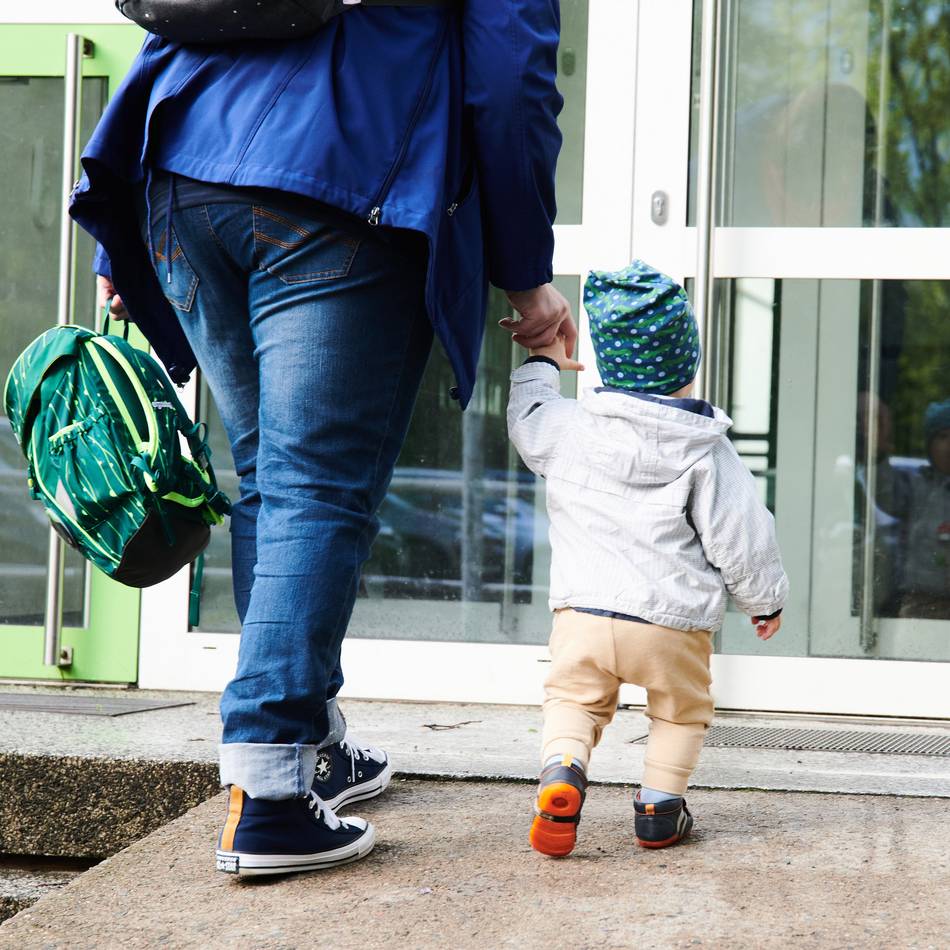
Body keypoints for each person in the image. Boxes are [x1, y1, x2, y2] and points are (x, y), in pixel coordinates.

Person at [71, 1, 578, 877]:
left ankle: (308, 746)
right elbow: (509, 85)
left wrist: (123, 237)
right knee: (314, 490)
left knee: (275, 480)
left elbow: (191, 18)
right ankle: (268, 793)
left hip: (185, 171)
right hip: (340, 183)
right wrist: (528, 275)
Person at [507, 261, 788, 856]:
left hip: (582, 616)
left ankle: (562, 771)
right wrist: (764, 600)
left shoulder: (574, 429)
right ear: (688, 362)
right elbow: (742, 535)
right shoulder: (707, 451)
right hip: (670, 624)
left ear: (609, 364)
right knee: (681, 714)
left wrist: (543, 365)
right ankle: (659, 808)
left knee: (571, 703)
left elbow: (528, 421)